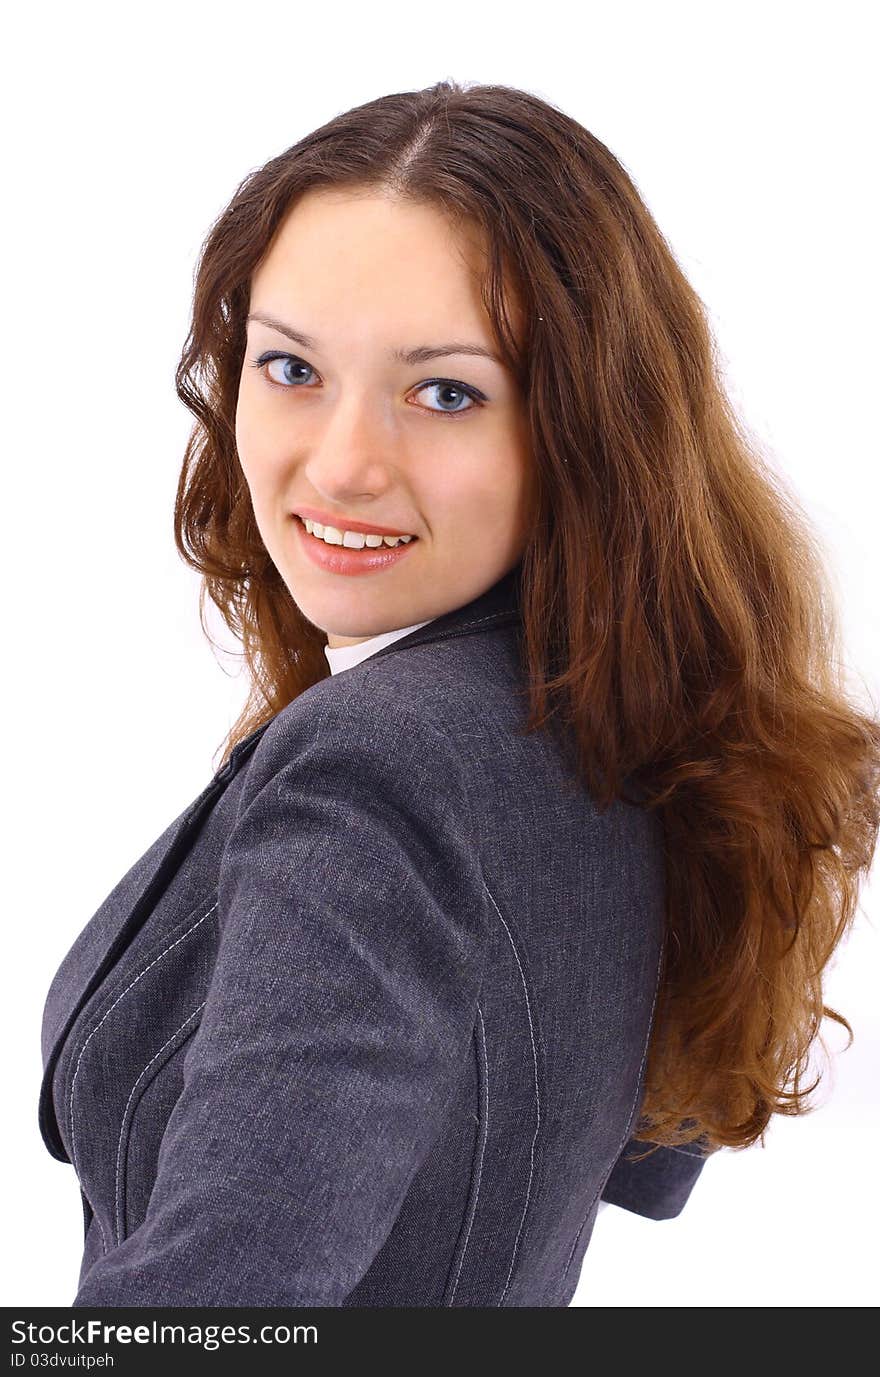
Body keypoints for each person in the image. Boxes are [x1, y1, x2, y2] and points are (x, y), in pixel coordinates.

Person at [38, 79, 880, 1308]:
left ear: (588, 425)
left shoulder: (376, 778)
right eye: (289, 367)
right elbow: (630, 1158)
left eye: (446, 392)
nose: (337, 464)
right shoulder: (635, 727)